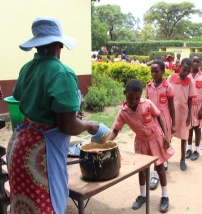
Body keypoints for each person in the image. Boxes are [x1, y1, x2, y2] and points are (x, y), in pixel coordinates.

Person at [6, 17, 103, 214]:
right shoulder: (62, 73)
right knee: (45, 206)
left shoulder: (27, 68)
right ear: (60, 43)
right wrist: (90, 125)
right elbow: (67, 126)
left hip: (19, 147)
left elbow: (18, 96)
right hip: (41, 154)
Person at [107, 79, 173, 212]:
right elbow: (115, 130)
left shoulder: (147, 104)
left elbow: (159, 116)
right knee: (141, 170)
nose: (133, 100)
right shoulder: (123, 113)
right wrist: (107, 144)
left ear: (141, 95)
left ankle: (165, 196)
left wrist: (166, 135)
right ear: (125, 93)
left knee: (159, 168)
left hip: (155, 139)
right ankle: (142, 195)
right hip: (141, 142)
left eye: (137, 98)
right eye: (130, 97)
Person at [146, 60, 176, 190]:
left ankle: (162, 164)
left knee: (164, 141)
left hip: (164, 119)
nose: (153, 74)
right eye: (152, 71)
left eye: (156, 71)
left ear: (163, 72)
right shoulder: (148, 87)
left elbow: (172, 107)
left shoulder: (168, 87)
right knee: (154, 146)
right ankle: (155, 173)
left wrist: (173, 123)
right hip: (152, 121)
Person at [167, 58, 196, 171]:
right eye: (184, 70)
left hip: (184, 112)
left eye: (188, 71)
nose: (186, 73)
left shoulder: (190, 81)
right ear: (180, 67)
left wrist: (189, 115)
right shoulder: (171, 78)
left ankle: (183, 159)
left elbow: (190, 99)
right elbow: (167, 94)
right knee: (168, 136)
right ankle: (166, 158)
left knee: (184, 136)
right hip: (171, 112)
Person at [185, 54, 202, 161]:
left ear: (200, 63)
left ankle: (197, 150)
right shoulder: (187, 76)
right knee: (189, 128)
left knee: (197, 128)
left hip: (199, 106)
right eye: (193, 61)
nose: (195, 63)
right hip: (188, 107)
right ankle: (189, 148)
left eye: (197, 61)